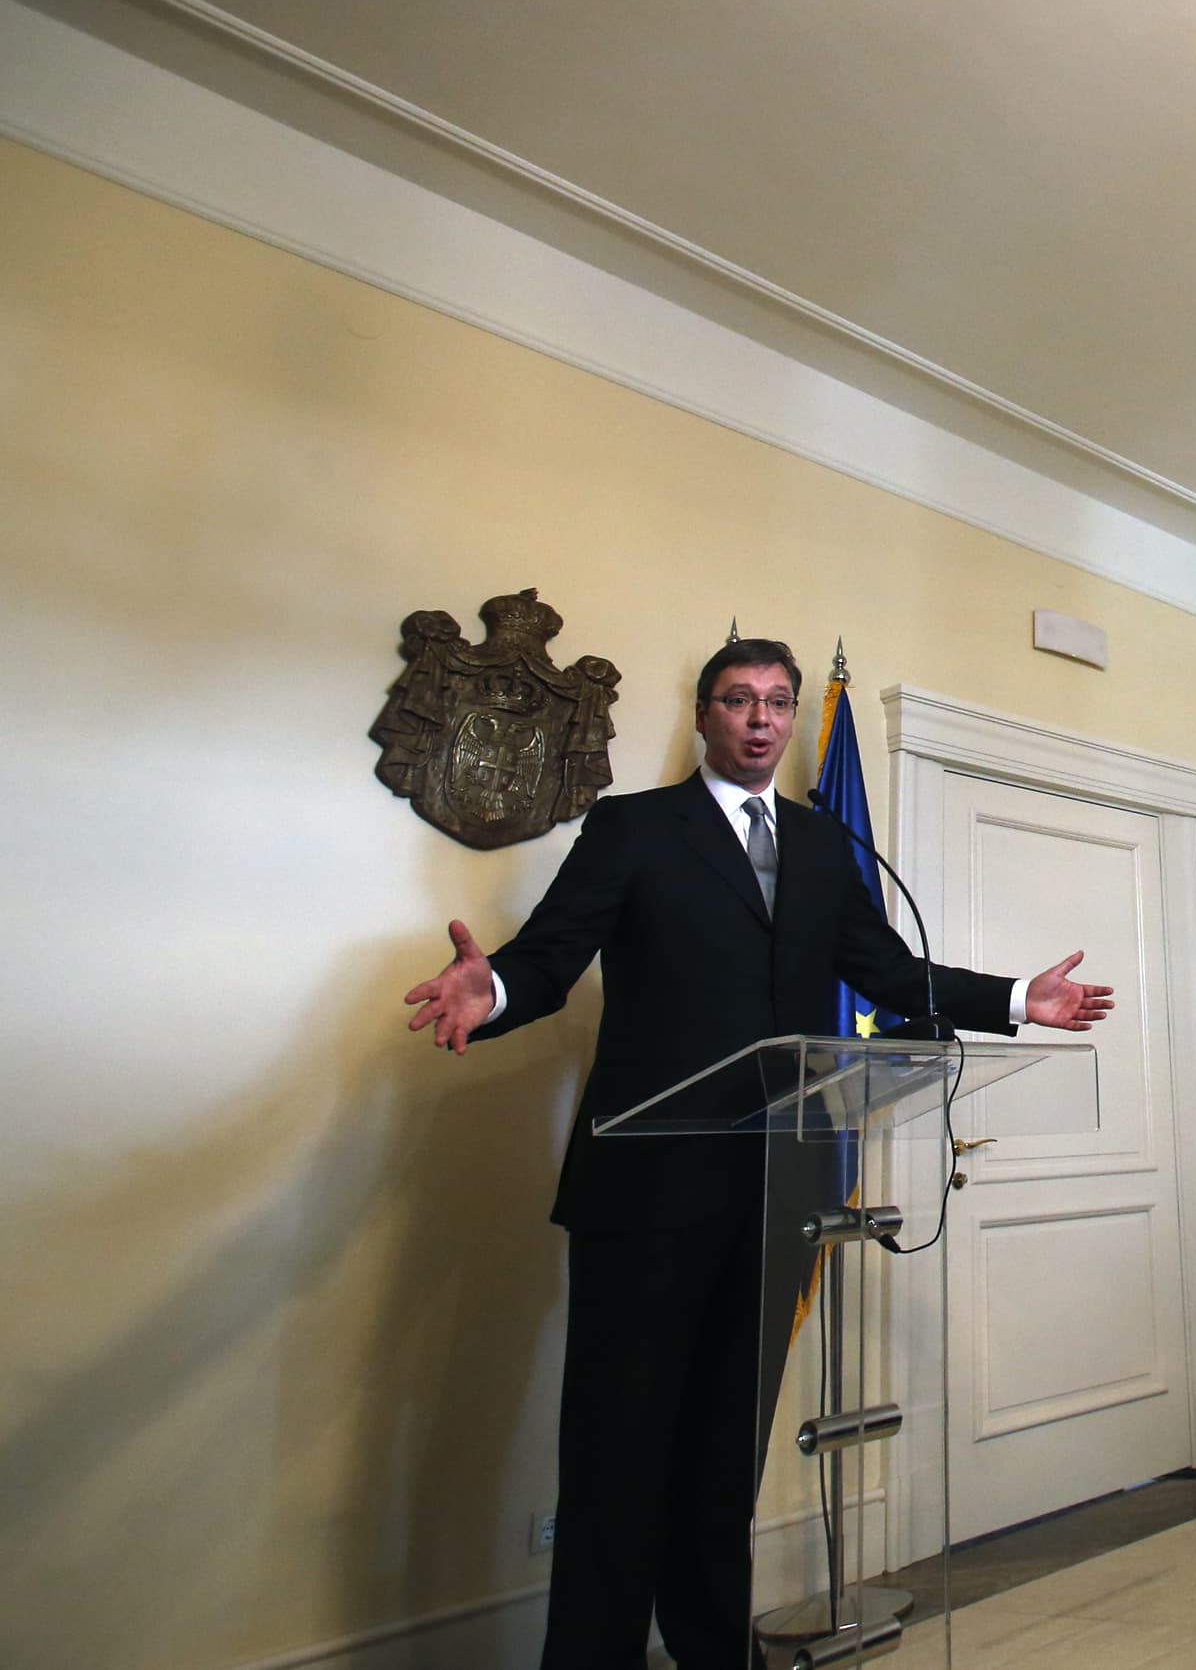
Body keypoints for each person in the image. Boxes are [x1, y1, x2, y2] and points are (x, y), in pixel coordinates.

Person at [400, 638, 1113, 1670]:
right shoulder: (634, 827)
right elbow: (553, 958)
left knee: (721, 1459)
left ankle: (707, 1650)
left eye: (779, 702)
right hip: (642, 1194)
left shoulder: (823, 847)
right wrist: (496, 990)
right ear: (704, 714)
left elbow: (882, 968)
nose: (763, 718)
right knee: (616, 1452)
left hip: (772, 1193)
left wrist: (1011, 1000)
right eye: (740, 699)